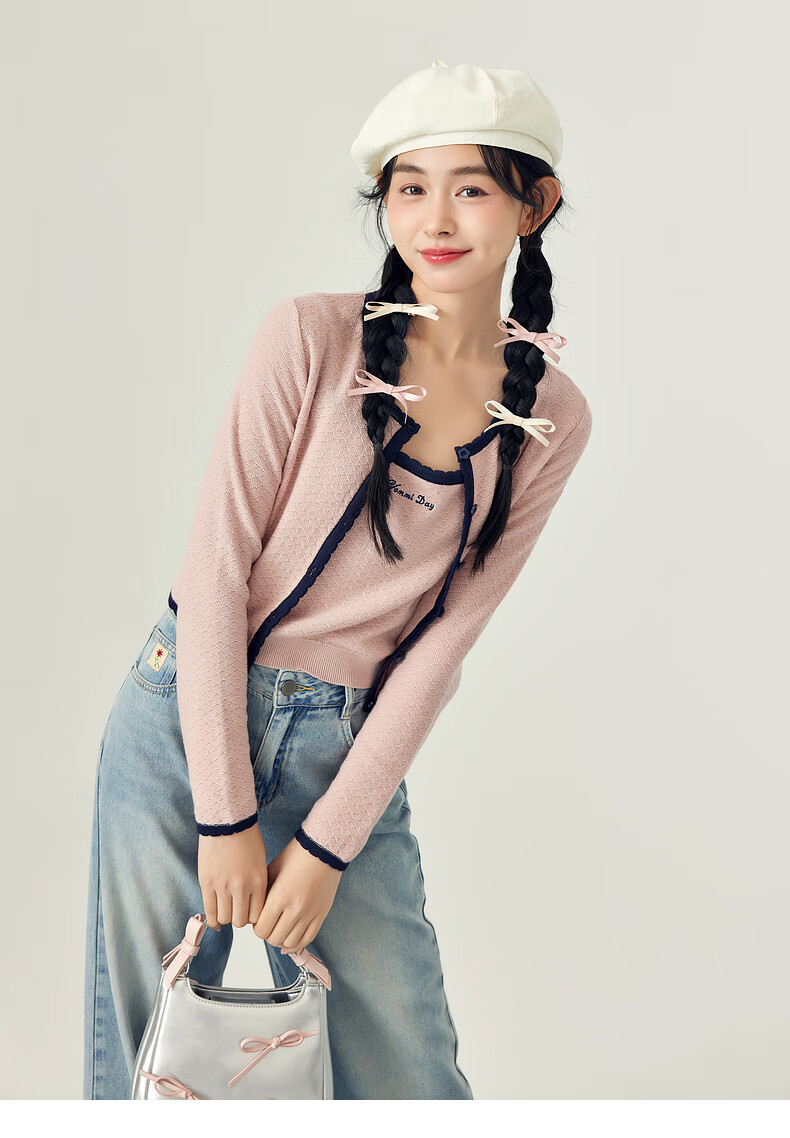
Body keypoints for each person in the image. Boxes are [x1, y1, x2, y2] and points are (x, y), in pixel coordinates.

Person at [83, 58, 593, 1100]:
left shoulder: (551, 416)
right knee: (159, 1064)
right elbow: (215, 573)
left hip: (346, 751)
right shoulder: (308, 338)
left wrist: (326, 846)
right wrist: (225, 817)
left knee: (412, 1073)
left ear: (533, 204)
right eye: (409, 188)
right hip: (184, 724)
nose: (434, 218)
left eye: (471, 188)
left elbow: (442, 648)